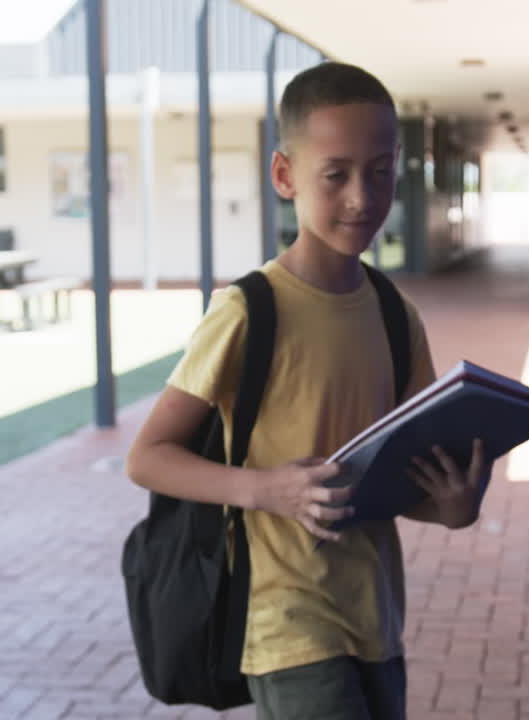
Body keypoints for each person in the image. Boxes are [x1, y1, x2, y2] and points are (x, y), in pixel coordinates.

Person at [125, 61, 486, 720]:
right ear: (285, 176)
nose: (362, 196)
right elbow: (147, 457)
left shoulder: (392, 312)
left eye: (380, 171)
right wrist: (265, 489)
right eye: (336, 174)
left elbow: (409, 476)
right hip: (285, 621)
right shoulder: (247, 311)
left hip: (376, 615)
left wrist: (452, 507)